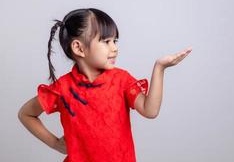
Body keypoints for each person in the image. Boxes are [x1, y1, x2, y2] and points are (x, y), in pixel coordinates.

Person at [18, 8, 192, 162]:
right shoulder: (63, 88)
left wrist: (159, 68)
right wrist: (55, 143)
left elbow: (150, 110)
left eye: (115, 41)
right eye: (106, 41)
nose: (114, 48)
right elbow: (26, 114)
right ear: (79, 48)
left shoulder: (121, 80)